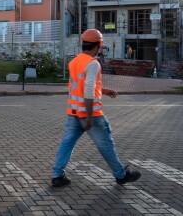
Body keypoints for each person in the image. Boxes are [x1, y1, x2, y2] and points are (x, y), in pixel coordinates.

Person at [51, 29, 141, 187]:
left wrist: (104, 91)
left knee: (67, 143)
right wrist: (90, 117)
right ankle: (121, 175)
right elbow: (87, 89)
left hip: (74, 113)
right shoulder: (92, 63)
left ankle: (57, 175)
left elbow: (79, 86)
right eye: (100, 46)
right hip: (89, 113)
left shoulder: (74, 62)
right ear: (98, 45)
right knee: (105, 144)